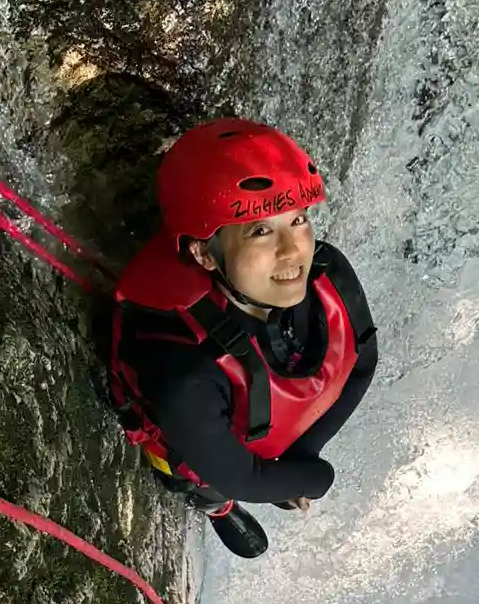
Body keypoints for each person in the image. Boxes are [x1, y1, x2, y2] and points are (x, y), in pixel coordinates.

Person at [109, 118, 378, 558]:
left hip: (259, 436)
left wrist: (301, 455)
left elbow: (362, 362)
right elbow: (242, 478)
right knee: (196, 477)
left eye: (298, 219)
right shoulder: (184, 371)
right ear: (202, 252)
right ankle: (213, 507)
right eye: (260, 230)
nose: (294, 251)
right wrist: (315, 477)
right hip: (197, 450)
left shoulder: (330, 271)